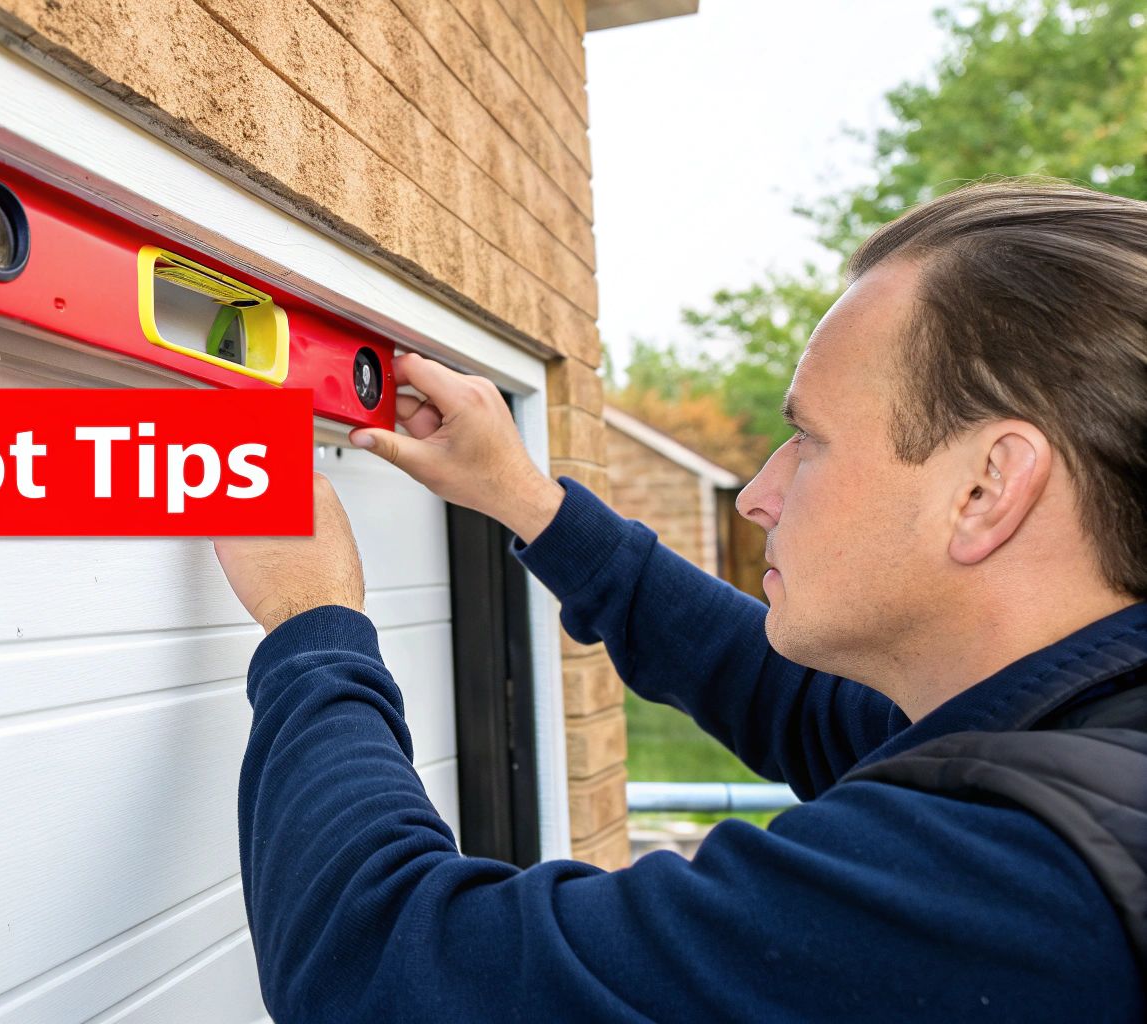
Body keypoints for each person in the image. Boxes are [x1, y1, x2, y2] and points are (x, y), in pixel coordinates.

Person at [211, 181, 1146, 1022]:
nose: (758, 494)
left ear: (988, 488)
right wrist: (527, 501)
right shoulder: (1082, 742)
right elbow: (789, 698)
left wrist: (313, 623)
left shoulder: (1013, 886)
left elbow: (386, 969)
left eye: (809, 440)